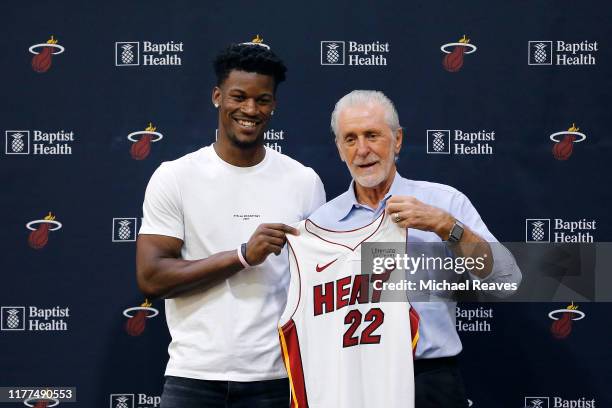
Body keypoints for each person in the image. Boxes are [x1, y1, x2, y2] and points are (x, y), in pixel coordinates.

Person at [136, 41, 325, 408]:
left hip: (275, 378)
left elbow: (318, 280)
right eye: (239, 96)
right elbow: (151, 278)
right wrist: (241, 256)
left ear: (274, 105)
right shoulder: (175, 177)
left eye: (263, 100)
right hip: (194, 377)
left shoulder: (303, 181)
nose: (250, 110)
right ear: (217, 96)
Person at [309, 90, 521, 408]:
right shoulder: (321, 223)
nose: (362, 150)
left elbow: (507, 283)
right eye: (350, 139)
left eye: (372, 135)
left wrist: (449, 228)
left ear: (397, 140)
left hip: (429, 381)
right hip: (352, 381)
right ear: (340, 149)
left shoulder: (444, 203)